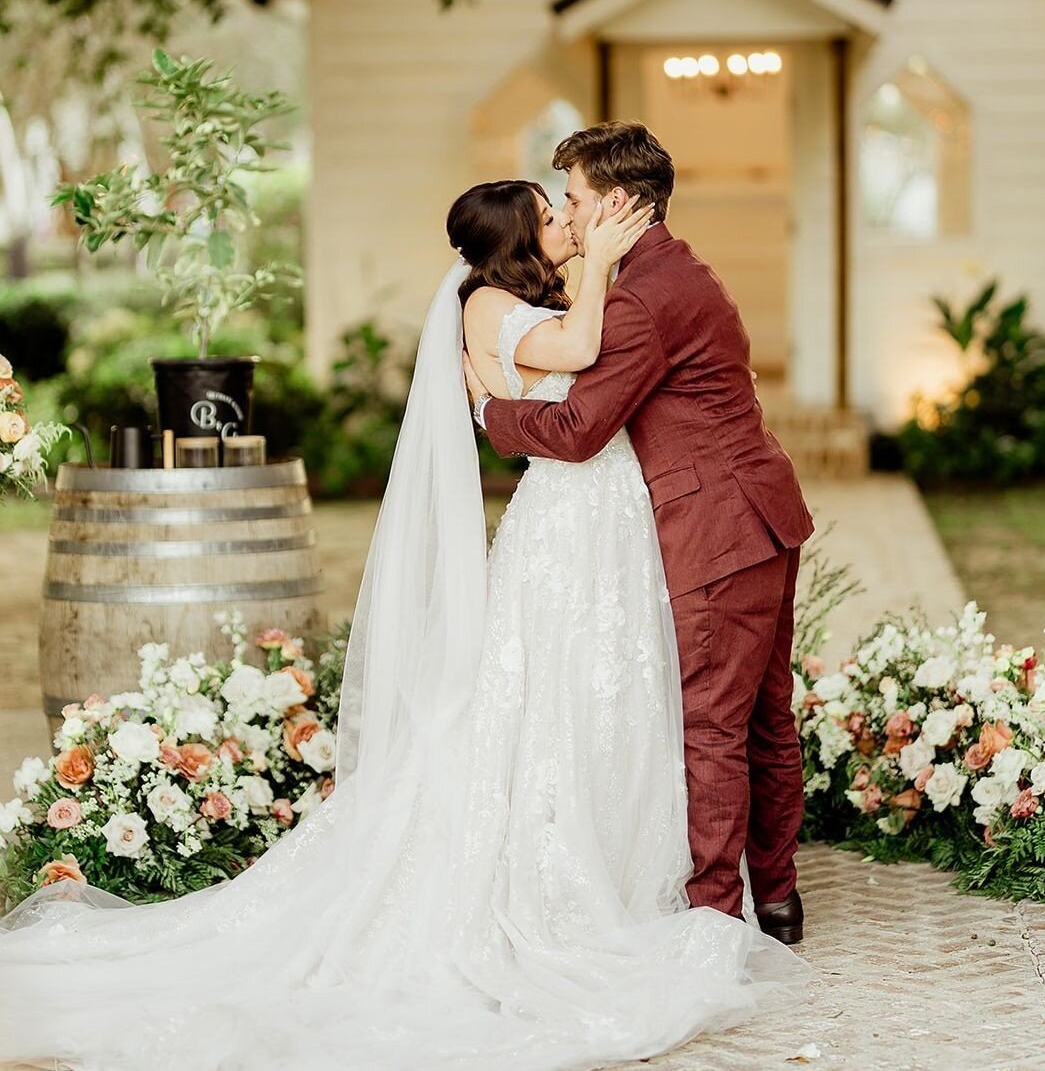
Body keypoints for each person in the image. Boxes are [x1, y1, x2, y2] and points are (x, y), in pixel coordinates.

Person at [0, 176, 808, 1071]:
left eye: (567, 202)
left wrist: (572, 315)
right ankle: (577, 880)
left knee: (604, 692)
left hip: (612, 519)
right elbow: (581, 359)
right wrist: (605, 268)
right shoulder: (492, 302)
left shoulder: (551, 294)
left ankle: (645, 868)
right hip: (571, 522)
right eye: (552, 213)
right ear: (517, 239)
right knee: (553, 692)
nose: (567, 220)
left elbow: (594, 367)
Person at [465, 123, 815, 938]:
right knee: (763, 717)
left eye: (579, 201)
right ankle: (778, 895)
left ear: (621, 203)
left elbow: (581, 428)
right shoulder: (678, 270)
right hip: (761, 514)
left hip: (719, 532)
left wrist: (489, 409)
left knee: (714, 726)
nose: (572, 218)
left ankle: (716, 920)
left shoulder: (642, 301)